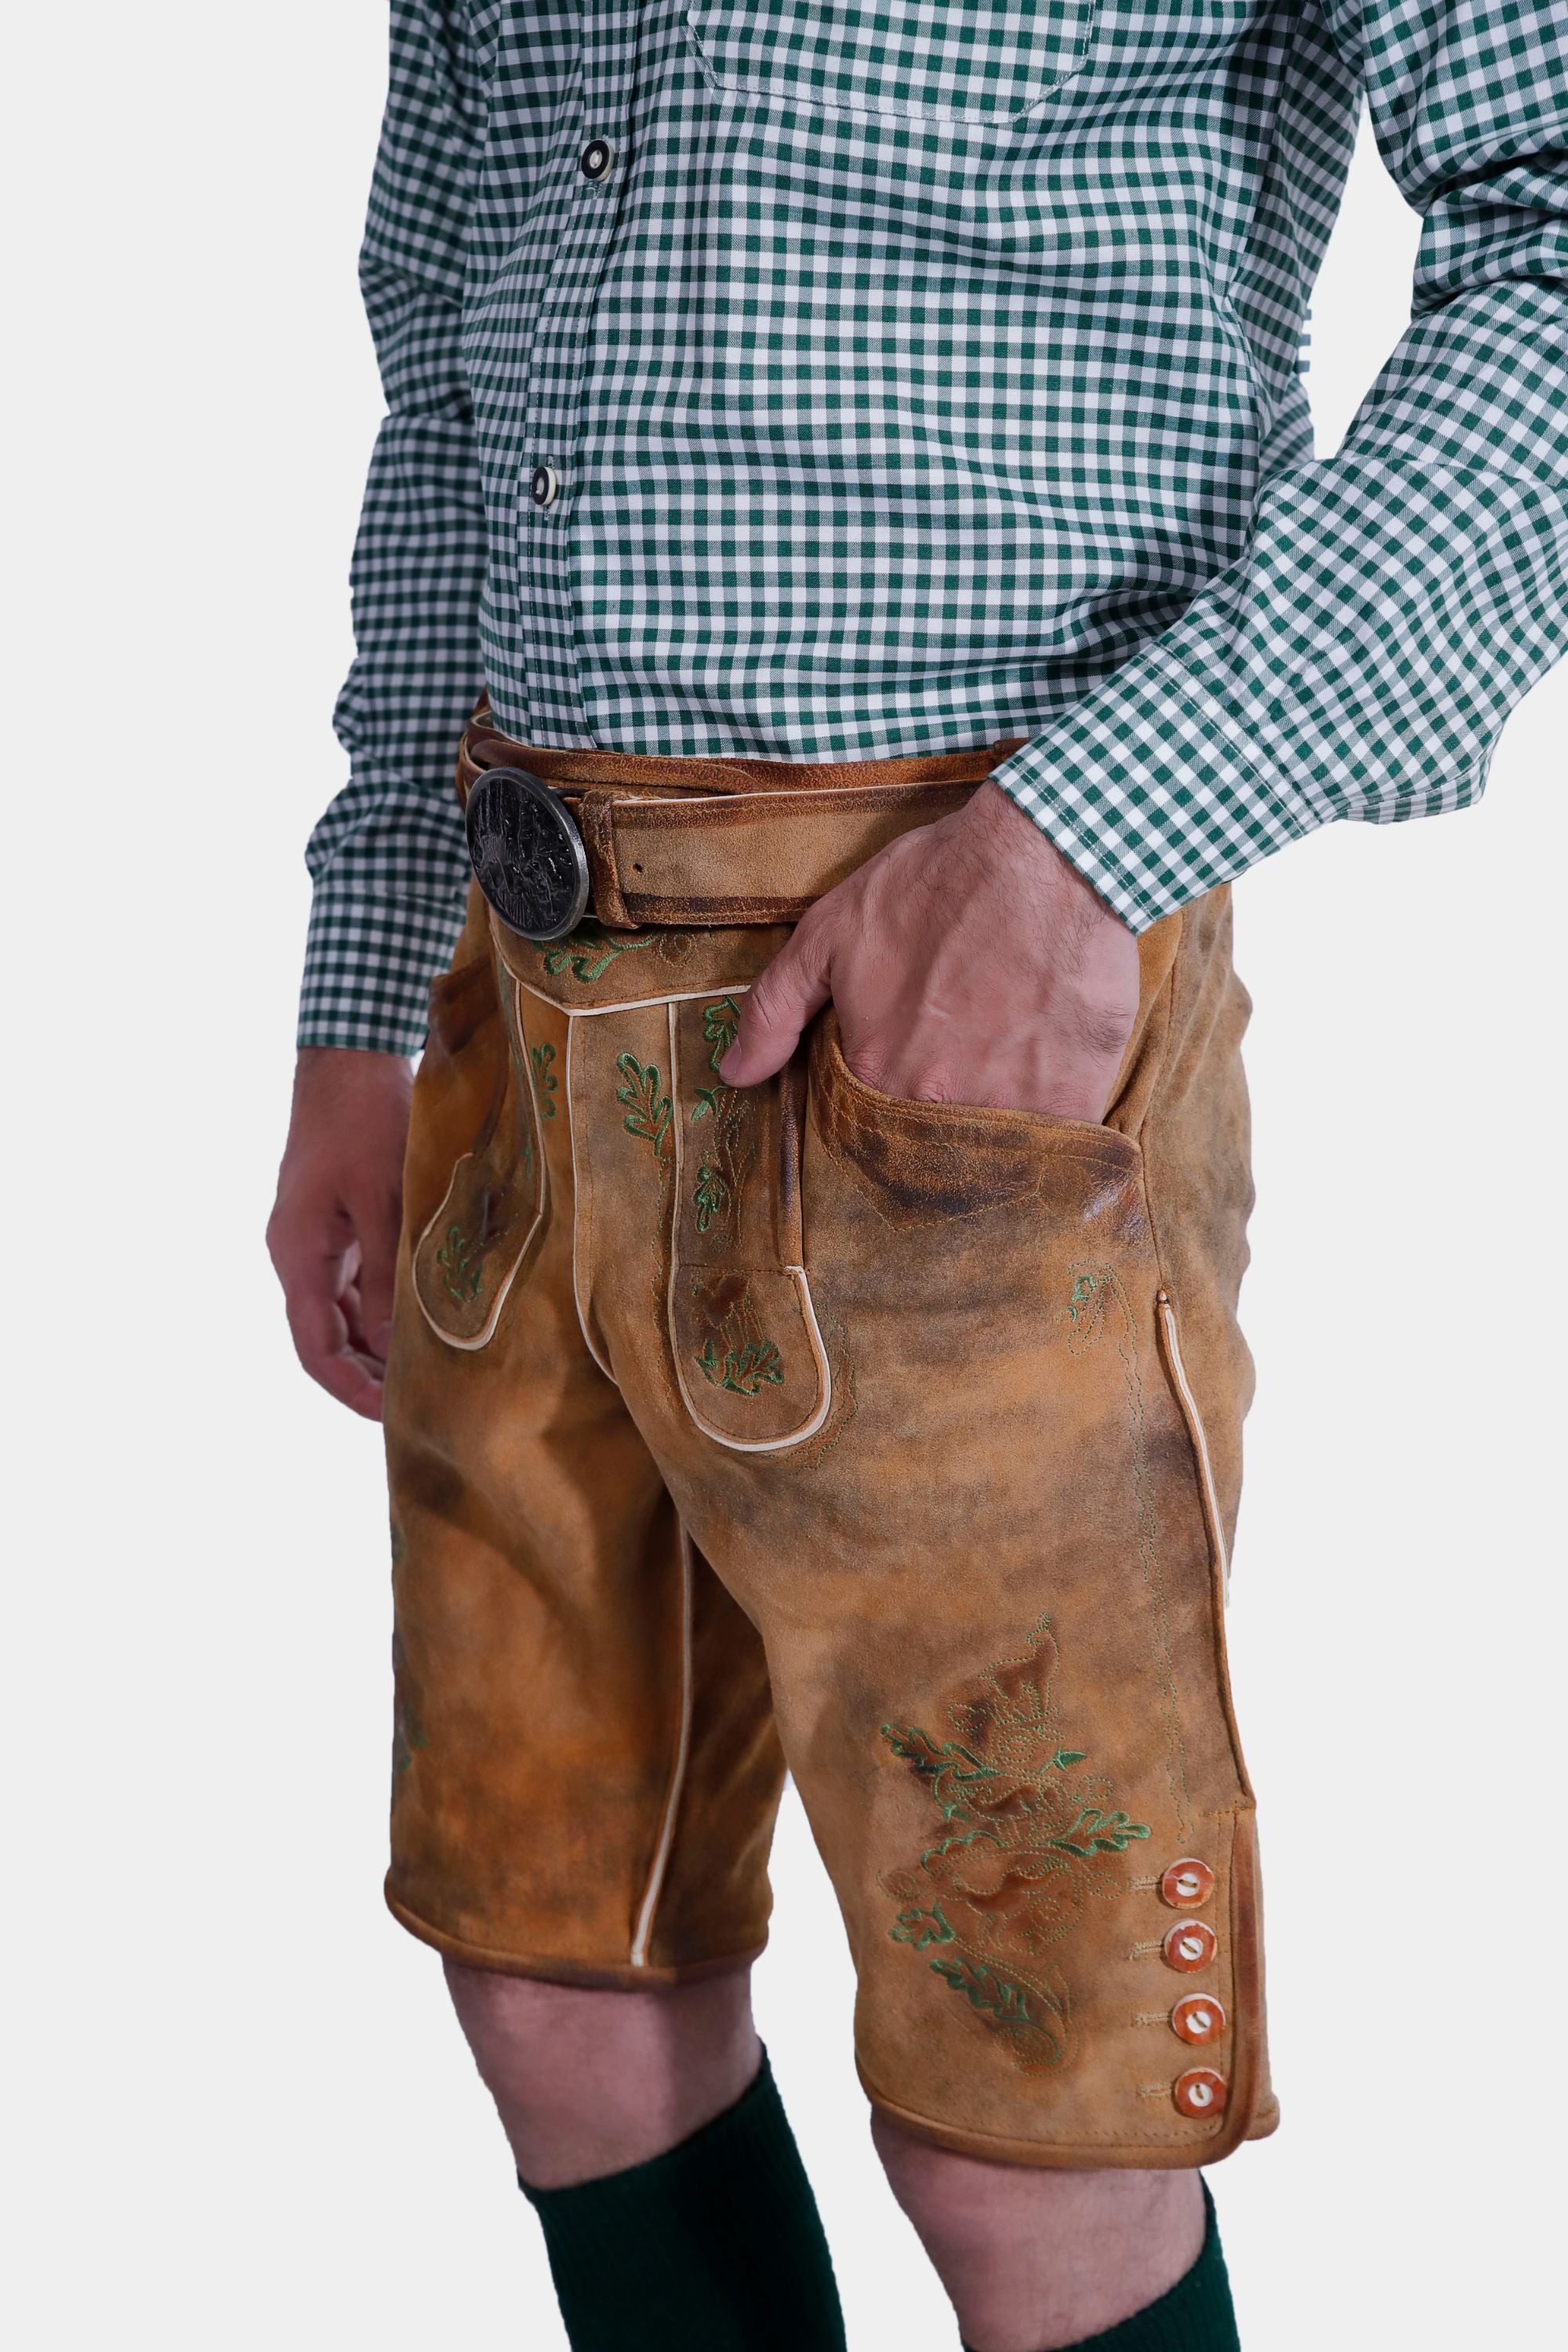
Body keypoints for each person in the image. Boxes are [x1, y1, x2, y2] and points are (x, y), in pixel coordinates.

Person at [267, 4, 1568, 2346]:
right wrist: (362, 986)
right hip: (517, 1016)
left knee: (1027, 2121)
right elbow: (450, 388)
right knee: (555, 1973)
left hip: (958, 1034)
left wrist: (1092, 845)